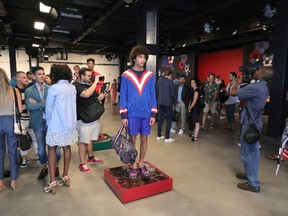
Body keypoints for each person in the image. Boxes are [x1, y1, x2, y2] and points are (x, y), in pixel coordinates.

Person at [231, 66, 274, 193]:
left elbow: (233, 93)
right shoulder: (263, 87)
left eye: (258, 71)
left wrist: (238, 82)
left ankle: (253, 183)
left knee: (249, 152)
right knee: (251, 151)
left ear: (261, 75)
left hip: (249, 124)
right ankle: (249, 174)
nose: (255, 72)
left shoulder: (256, 87)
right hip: (254, 122)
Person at [120, 45, 157, 179]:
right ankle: (133, 164)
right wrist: (123, 114)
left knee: (144, 138)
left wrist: (153, 113)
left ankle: (141, 163)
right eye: (140, 57)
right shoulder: (126, 75)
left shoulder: (150, 75)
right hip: (132, 113)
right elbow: (123, 95)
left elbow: (153, 94)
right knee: (132, 139)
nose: (143, 60)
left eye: (144, 57)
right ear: (134, 58)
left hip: (146, 113)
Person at [44, 64, 78, 194]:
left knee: (52, 148)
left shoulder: (54, 88)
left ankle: (53, 182)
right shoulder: (72, 87)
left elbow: (49, 109)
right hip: (70, 123)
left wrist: (48, 123)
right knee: (67, 147)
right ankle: (65, 175)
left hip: (56, 123)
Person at [25, 66, 61, 180]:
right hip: (38, 122)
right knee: (41, 147)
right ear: (34, 76)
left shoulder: (51, 88)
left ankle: (55, 166)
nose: (42, 76)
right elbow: (30, 106)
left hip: (52, 121)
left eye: (43, 73)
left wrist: (38, 104)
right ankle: (44, 167)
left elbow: (55, 105)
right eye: (39, 74)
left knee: (56, 146)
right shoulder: (29, 90)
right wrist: (44, 103)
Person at [74, 67, 109, 174]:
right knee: (83, 141)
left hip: (93, 117)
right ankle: (82, 163)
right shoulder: (77, 86)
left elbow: (98, 98)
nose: (90, 78)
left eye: (91, 76)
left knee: (90, 140)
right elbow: (86, 94)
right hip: (83, 118)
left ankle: (91, 157)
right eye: (88, 76)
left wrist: (105, 91)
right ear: (81, 76)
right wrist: (96, 82)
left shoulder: (90, 86)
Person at [0, 68, 23, 190]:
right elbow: (19, 110)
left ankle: (0, 182)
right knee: (13, 152)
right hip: (11, 122)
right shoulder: (14, 91)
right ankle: (14, 181)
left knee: (0, 153)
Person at [15, 71, 38, 168]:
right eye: (24, 77)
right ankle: (24, 159)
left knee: (36, 138)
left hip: (31, 117)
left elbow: (36, 102)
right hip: (21, 120)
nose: (26, 79)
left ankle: (40, 156)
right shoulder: (14, 91)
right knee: (22, 140)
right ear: (17, 79)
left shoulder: (29, 90)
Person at [156, 69, 175, 143]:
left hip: (160, 103)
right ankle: (167, 137)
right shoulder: (170, 82)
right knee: (169, 120)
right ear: (170, 75)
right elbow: (172, 94)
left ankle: (159, 135)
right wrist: (173, 101)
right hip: (168, 103)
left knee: (160, 120)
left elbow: (157, 92)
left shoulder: (159, 81)